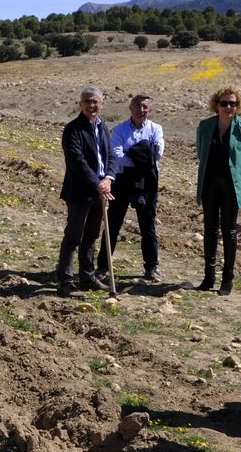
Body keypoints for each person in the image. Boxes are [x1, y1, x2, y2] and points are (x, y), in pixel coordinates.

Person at [194, 86, 241, 294]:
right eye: (224, 103)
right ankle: (208, 277)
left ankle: (227, 279)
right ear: (217, 105)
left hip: (232, 186)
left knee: (229, 230)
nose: (228, 107)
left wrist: (238, 172)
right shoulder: (205, 126)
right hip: (210, 183)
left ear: (238, 106)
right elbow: (200, 151)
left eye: (233, 103)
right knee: (210, 229)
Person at [56, 87, 115, 297]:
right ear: (80, 104)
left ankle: (87, 277)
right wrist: (97, 183)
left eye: (95, 101)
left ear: (102, 104)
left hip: (100, 191)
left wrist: (108, 178)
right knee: (74, 236)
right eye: (87, 101)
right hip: (80, 191)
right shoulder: (73, 129)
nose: (91, 105)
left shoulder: (103, 127)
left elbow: (110, 156)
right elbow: (77, 162)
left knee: (91, 236)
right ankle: (65, 281)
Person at [105, 93, 166, 283]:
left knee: (148, 225)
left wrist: (131, 152)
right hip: (122, 180)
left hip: (147, 181)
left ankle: (152, 267)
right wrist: (142, 154)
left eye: (145, 107)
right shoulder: (119, 130)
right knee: (113, 223)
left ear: (150, 110)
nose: (141, 110)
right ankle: (103, 266)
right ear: (130, 108)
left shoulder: (156, 129)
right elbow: (117, 155)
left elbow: (157, 153)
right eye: (138, 106)